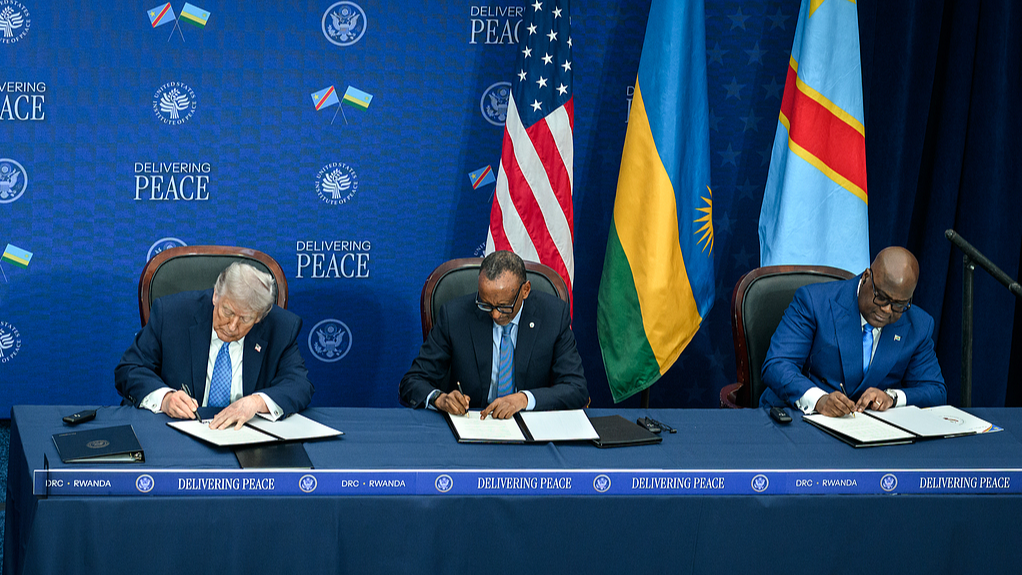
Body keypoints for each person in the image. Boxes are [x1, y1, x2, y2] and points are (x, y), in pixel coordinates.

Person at [115, 262, 314, 429]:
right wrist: (165, 398)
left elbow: (299, 385)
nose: (233, 326)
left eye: (245, 319)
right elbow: (130, 370)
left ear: (260, 316)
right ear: (216, 295)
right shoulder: (171, 314)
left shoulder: (281, 327)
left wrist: (256, 402)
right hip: (176, 433)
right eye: (227, 312)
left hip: (245, 436)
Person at [400, 251, 588, 419]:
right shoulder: (455, 315)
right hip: (473, 423)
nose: (495, 314)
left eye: (504, 306)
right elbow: (412, 382)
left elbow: (576, 388)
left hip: (530, 427)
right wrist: (439, 399)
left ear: (525, 290)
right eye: (486, 304)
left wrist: (524, 399)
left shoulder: (553, 315)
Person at [760, 246, 946, 416]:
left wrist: (892, 397)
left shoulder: (919, 324)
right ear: (866, 277)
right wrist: (819, 400)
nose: (887, 310)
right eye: (881, 298)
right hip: (802, 418)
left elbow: (935, 390)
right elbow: (777, 364)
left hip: (870, 433)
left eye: (899, 304)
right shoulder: (814, 302)